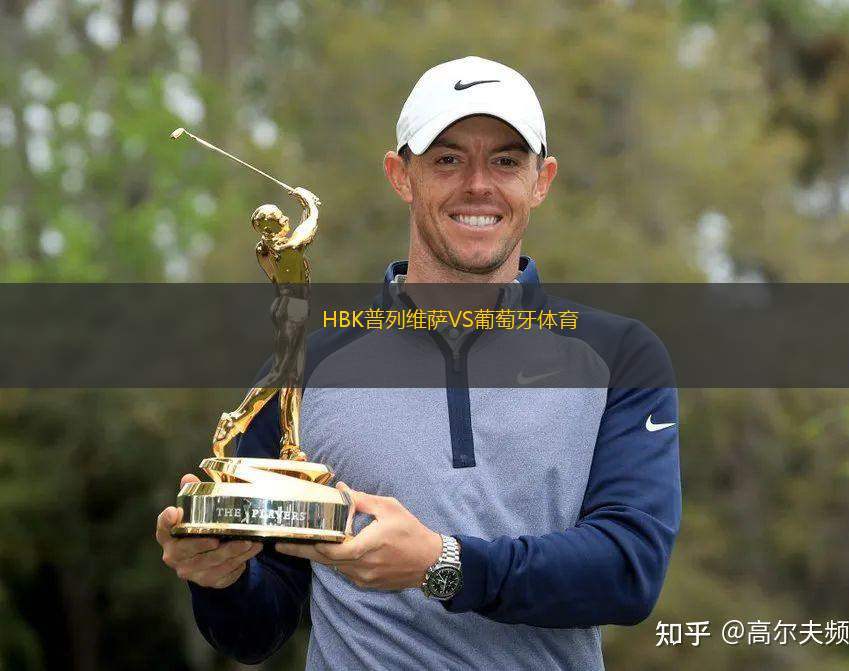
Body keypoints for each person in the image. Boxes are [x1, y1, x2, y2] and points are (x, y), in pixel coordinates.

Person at [156, 55, 681, 670]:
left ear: (542, 180)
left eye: (506, 161)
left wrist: (442, 563)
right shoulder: (307, 364)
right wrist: (220, 578)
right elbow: (257, 630)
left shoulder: (620, 355)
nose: (478, 185)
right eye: (448, 159)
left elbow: (628, 569)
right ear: (400, 175)